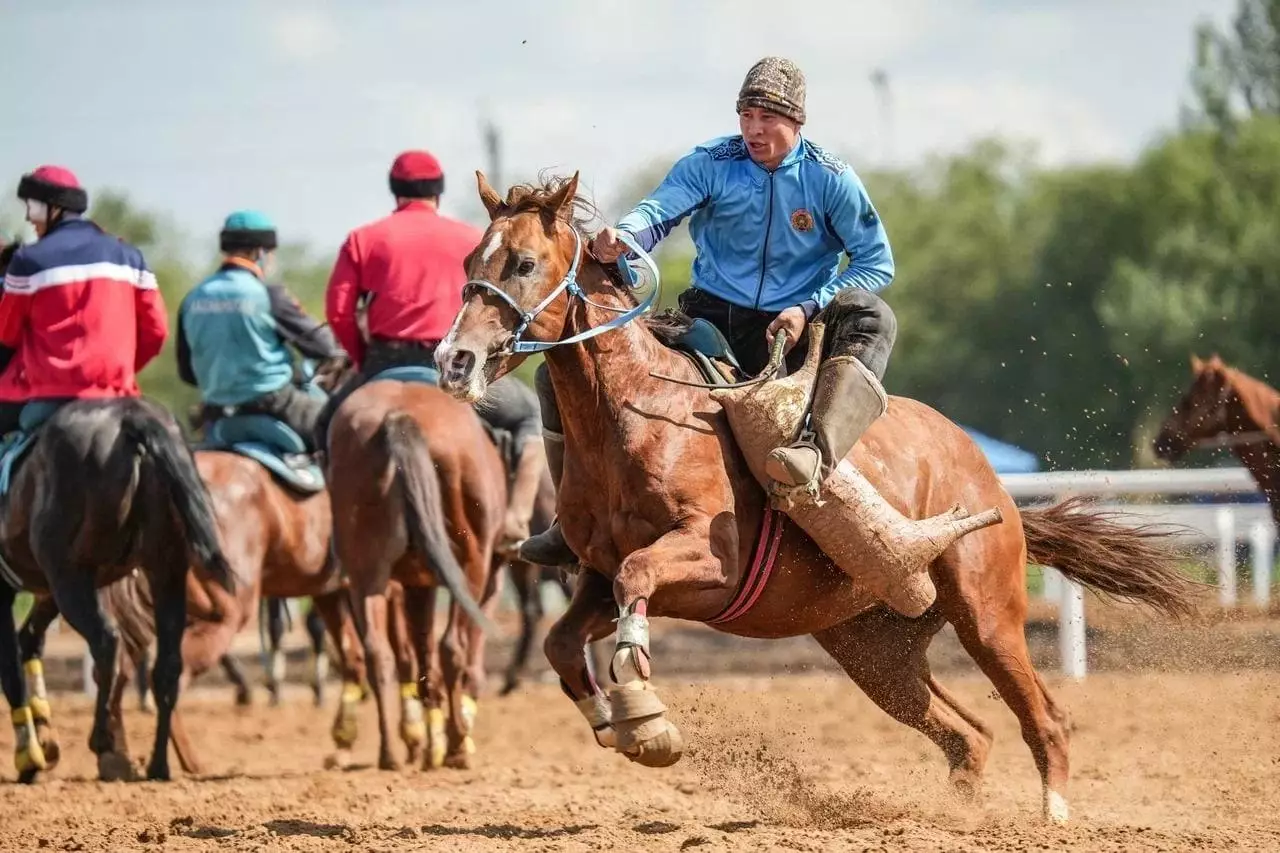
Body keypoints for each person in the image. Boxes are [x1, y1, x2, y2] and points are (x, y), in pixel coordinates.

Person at [519, 56, 898, 567]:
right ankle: (571, 521)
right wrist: (623, 240)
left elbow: (877, 262)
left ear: (797, 122)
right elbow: (659, 213)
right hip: (710, 318)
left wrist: (807, 308)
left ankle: (816, 451)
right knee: (558, 374)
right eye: (746, 115)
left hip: (797, 328)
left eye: (768, 118)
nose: (754, 130)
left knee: (875, 315)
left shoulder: (832, 179)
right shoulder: (711, 162)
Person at [318, 150, 547, 549]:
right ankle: (517, 518)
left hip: (384, 363)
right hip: (456, 366)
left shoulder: (363, 238)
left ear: (394, 191)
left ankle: (336, 538)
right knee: (528, 414)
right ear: (438, 192)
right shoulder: (472, 238)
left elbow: (338, 313)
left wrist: (362, 363)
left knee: (322, 427)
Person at [0, 165, 169, 437]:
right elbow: (156, 330)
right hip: (117, 395)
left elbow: (6, 332)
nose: (29, 219)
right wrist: (116, 371)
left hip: (50, 397)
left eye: (31, 208)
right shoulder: (130, 256)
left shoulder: (28, 261)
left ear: (52, 208)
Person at [176, 210, 344, 451]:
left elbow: (188, 373)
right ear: (260, 252)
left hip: (215, 412)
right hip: (275, 404)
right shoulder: (269, 295)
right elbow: (324, 347)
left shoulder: (192, 298)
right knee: (342, 431)